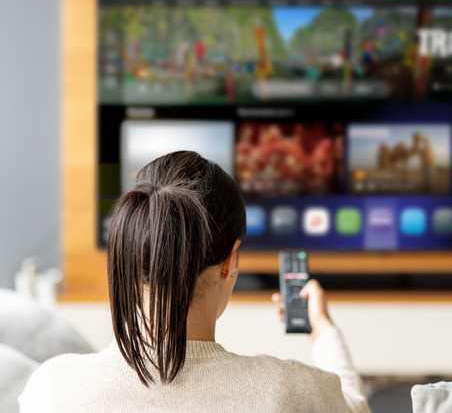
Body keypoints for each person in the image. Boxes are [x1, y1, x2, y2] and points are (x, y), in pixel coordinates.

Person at [19, 151, 369, 413]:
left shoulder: (50, 390)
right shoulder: (291, 392)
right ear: (230, 261)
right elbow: (356, 407)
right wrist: (322, 329)